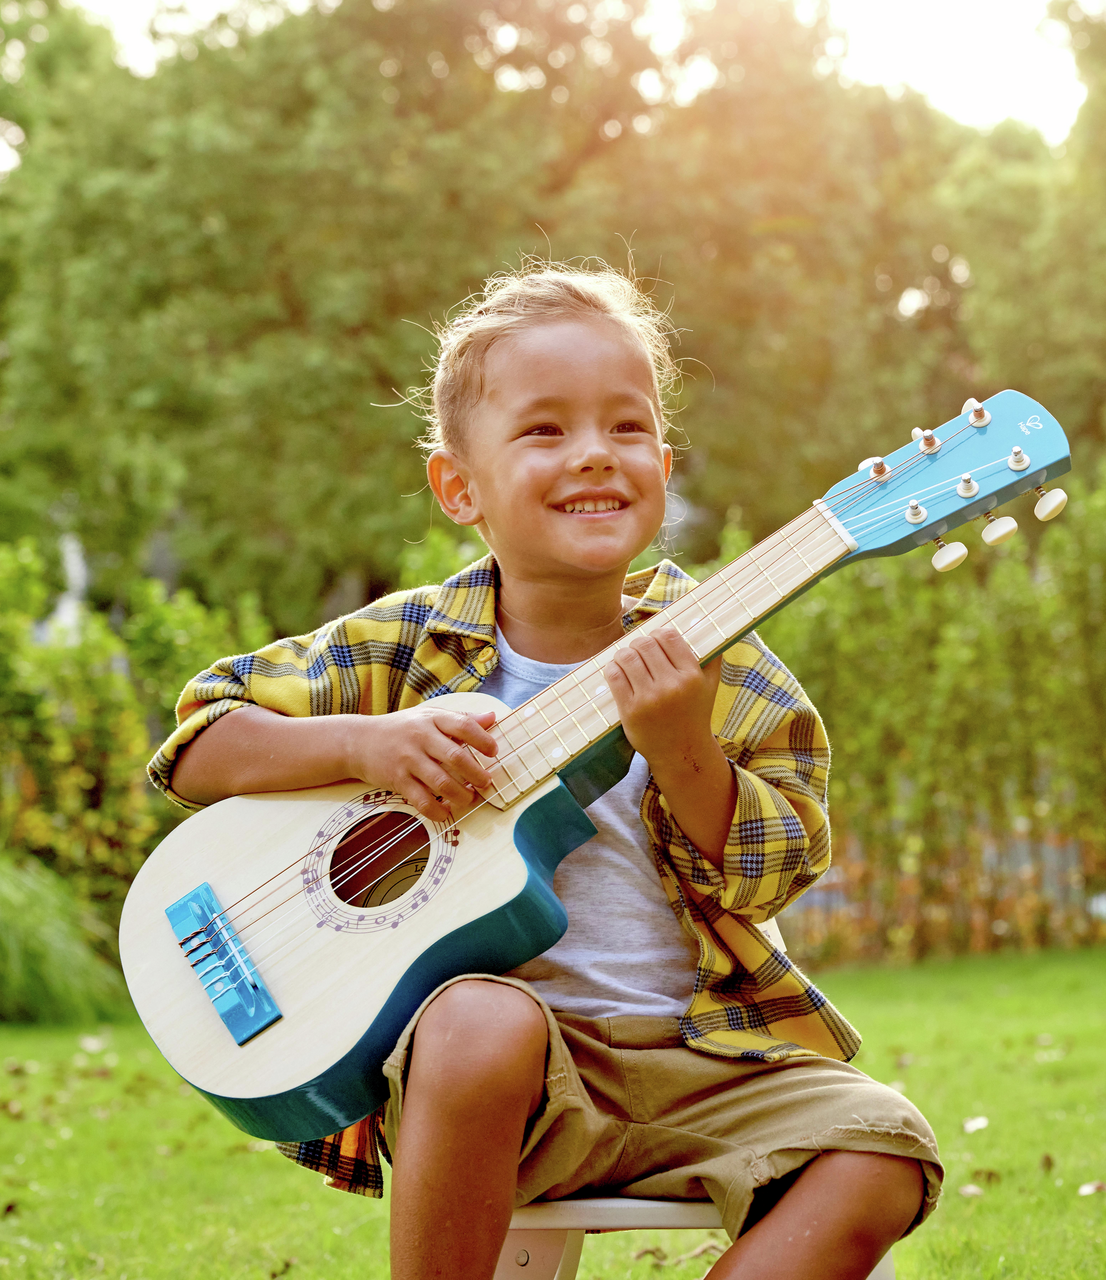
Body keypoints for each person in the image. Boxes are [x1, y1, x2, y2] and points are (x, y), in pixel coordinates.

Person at [149, 263, 942, 1280]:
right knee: (482, 1019)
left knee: (885, 1152)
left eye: (626, 426)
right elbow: (200, 737)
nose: (594, 453)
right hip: (497, 1087)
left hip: (703, 1059)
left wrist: (684, 750)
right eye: (545, 429)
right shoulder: (402, 647)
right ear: (459, 487)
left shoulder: (722, 654)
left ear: (663, 464)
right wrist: (366, 744)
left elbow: (776, 871)